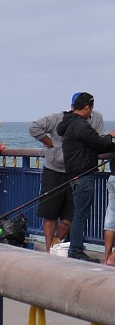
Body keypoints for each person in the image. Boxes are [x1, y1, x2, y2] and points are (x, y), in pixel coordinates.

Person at [29, 93, 106, 251]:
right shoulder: (58, 118)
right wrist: (50, 143)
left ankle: (57, 243)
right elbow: (34, 127)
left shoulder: (96, 118)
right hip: (54, 169)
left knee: (70, 216)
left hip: (77, 171)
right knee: (49, 213)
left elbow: (98, 140)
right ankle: (49, 249)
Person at [57, 92, 115, 262]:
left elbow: (92, 146)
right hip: (83, 175)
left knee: (79, 213)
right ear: (88, 107)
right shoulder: (80, 124)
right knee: (81, 214)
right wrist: (110, 136)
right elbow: (97, 143)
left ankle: (76, 248)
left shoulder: (69, 123)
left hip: (74, 174)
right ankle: (75, 250)